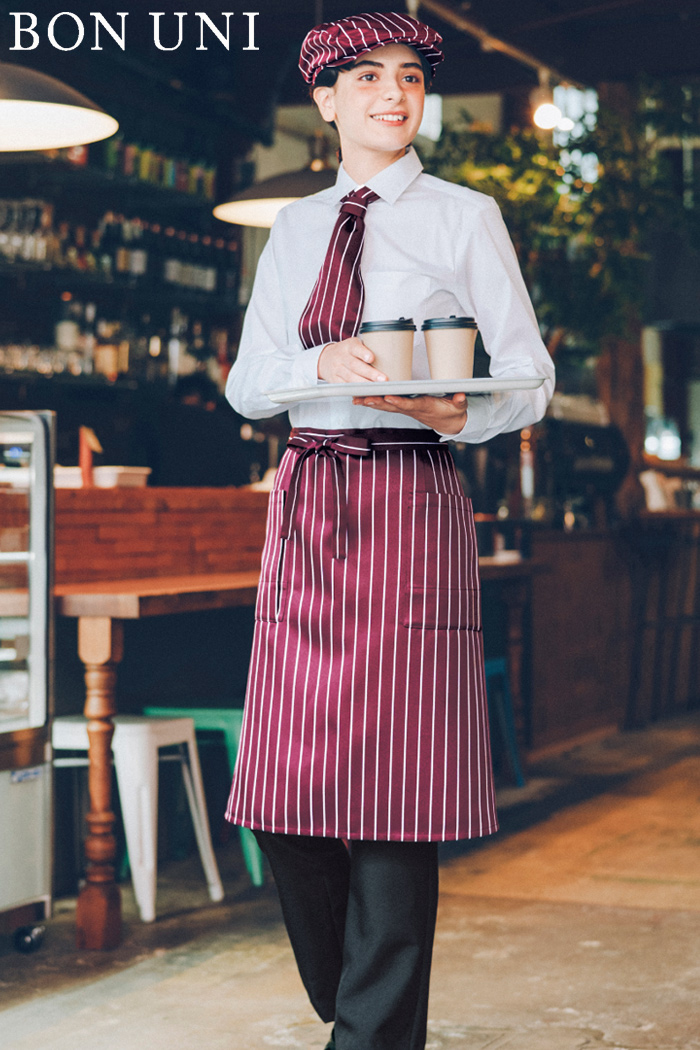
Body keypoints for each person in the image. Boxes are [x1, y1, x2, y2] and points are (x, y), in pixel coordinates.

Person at [224, 12, 555, 1050]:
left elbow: (530, 377)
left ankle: (368, 1038)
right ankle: (354, 1005)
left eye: (409, 76)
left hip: (415, 498)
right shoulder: (291, 232)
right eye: (366, 77)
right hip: (310, 499)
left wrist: (466, 412)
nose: (391, 94)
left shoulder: (466, 217)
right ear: (324, 101)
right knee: (280, 789)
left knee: (400, 791)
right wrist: (315, 368)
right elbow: (246, 386)